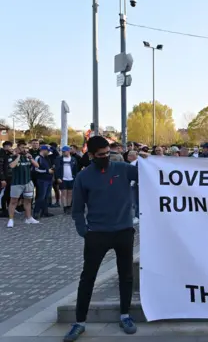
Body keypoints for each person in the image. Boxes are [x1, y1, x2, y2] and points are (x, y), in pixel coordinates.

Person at [64, 136, 146, 341]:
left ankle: (125, 315)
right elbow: (77, 209)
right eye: (101, 155)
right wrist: (84, 231)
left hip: (124, 231)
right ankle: (79, 322)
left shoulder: (123, 169)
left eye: (108, 153)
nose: (106, 157)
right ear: (91, 155)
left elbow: (152, 175)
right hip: (97, 234)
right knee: (88, 278)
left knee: (126, 275)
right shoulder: (83, 177)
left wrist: (149, 159)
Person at [6, 140, 39, 228]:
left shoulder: (27, 157)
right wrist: (18, 157)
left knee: (28, 201)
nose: (24, 149)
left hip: (28, 182)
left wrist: (31, 158)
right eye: (22, 147)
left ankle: (28, 218)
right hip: (17, 183)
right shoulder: (12, 157)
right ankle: (11, 219)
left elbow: (37, 165)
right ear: (17, 148)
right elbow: (12, 166)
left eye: (25, 147)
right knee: (13, 201)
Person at [55, 146, 79, 214]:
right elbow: (57, 169)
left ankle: (69, 207)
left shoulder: (73, 159)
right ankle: (65, 208)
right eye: (62, 151)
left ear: (68, 151)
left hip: (71, 179)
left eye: (64, 151)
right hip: (63, 179)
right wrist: (58, 178)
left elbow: (75, 169)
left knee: (70, 194)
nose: (63, 153)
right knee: (64, 193)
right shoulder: (59, 159)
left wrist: (75, 177)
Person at [33, 146, 54, 219]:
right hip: (42, 180)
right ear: (43, 150)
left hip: (48, 179)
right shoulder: (38, 158)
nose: (48, 152)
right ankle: (36, 212)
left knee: (46, 196)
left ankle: (45, 211)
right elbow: (35, 169)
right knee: (41, 196)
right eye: (47, 151)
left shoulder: (46, 158)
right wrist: (47, 171)